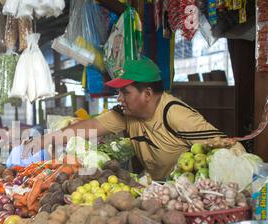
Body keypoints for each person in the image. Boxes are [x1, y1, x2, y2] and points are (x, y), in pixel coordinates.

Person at [24, 57, 230, 181]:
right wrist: (42, 141)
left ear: (147, 94)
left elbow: (225, 151)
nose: (119, 98)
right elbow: (92, 126)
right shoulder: (127, 113)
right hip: (159, 189)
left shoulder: (176, 115)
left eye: (125, 92)